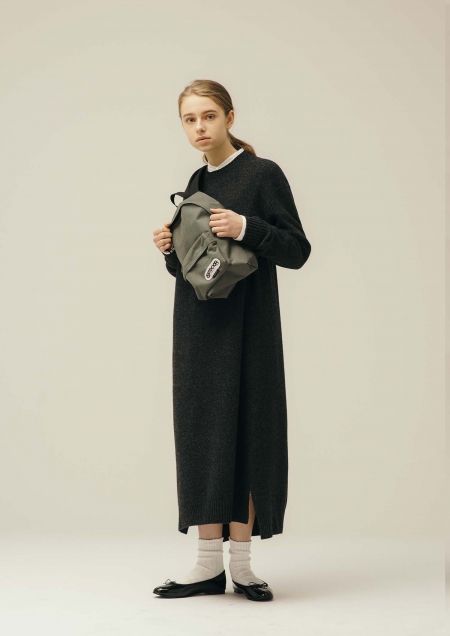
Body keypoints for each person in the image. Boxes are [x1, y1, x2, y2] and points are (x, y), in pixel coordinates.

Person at [152, 79, 311, 601]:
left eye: (209, 116)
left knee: (249, 431)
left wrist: (246, 226)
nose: (199, 127)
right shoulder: (196, 180)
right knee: (202, 433)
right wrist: (170, 249)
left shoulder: (262, 174)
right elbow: (197, 271)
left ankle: (242, 567)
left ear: (230, 118)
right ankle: (206, 565)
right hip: (198, 330)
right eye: (189, 119)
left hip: (250, 330)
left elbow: (297, 250)